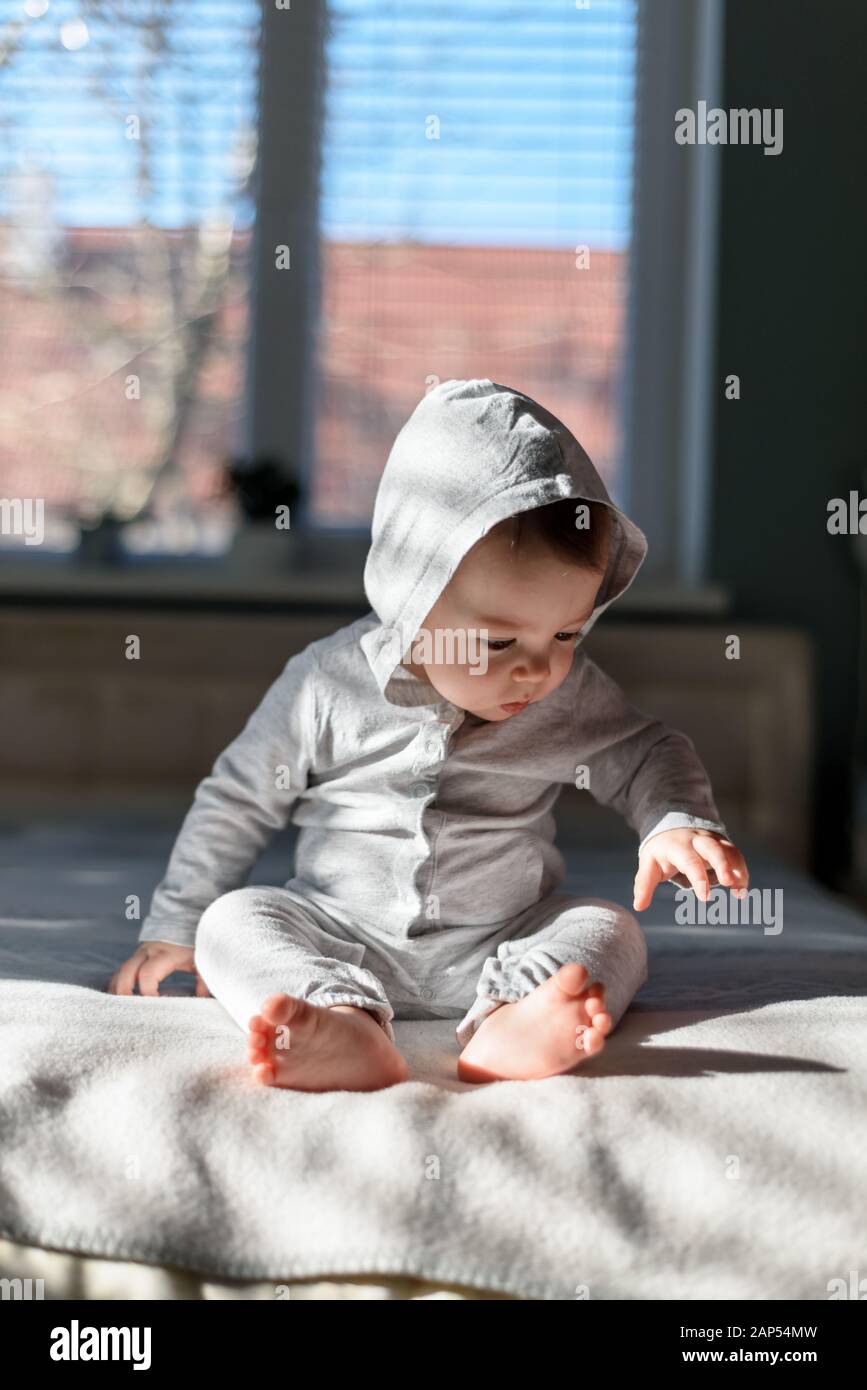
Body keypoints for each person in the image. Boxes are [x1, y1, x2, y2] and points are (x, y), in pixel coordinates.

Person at [109, 378, 749, 1088]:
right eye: (499, 642)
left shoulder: (567, 694)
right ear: (411, 598)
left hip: (501, 940)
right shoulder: (327, 683)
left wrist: (673, 819)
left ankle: (516, 1018)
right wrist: (173, 923)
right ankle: (342, 1024)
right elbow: (237, 800)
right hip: (338, 935)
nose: (536, 668)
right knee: (232, 920)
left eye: (566, 631)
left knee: (609, 927)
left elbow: (644, 752)